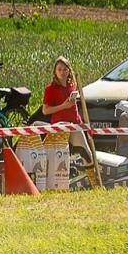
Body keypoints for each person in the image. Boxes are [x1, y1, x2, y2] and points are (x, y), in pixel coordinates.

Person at [36, 56, 81, 192]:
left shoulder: (72, 86)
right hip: (60, 126)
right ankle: (56, 185)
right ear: (55, 71)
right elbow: (45, 110)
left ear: (69, 70)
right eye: (59, 69)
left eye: (65, 69)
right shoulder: (50, 89)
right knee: (59, 157)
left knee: (85, 151)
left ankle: (93, 181)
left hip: (75, 124)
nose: (62, 72)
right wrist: (63, 106)